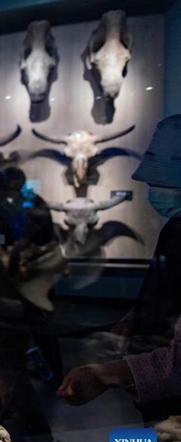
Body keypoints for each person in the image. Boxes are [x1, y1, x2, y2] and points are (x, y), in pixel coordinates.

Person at [57, 115, 181, 415]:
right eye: (153, 182)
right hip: (159, 401)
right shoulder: (175, 229)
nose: (154, 190)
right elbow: (166, 290)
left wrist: (109, 373)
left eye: (164, 182)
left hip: (172, 402)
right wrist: (135, 318)